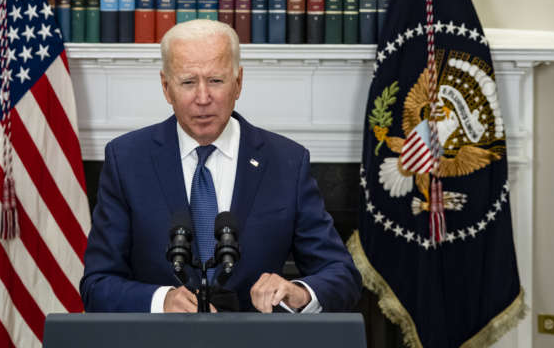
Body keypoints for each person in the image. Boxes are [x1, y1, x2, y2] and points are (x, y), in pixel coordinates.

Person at [80, 19, 361, 314]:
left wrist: (299, 292)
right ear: (166, 87)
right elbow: (97, 285)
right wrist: (161, 301)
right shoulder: (126, 160)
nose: (203, 98)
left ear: (238, 83)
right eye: (188, 82)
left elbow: (341, 275)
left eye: (216, 80)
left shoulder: (286, 162)